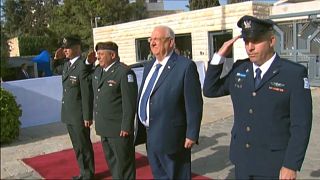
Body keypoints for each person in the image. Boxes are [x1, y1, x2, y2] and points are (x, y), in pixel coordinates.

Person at [203, 15, 312, 179]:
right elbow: (210, 90)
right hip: (242, 160)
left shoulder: (293, 74)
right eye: (246, 42)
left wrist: (291, 164)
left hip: (273, 163)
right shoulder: (241, 68)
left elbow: (301, 125)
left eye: (255, 41)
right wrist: (219, 56)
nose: (250, 47)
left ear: (272, 41)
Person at [135, 25, 203, 179]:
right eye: (150, 40)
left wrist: (192, 134)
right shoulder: (149, 66)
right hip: (150, 136)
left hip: (173, 138)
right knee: (159, 175)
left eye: (157, 39)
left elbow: (194, 104)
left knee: (176, 176)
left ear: (171, 42)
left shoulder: (185, 67)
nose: (152, 43)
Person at [86, 41, 137, 179]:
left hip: (119, 130)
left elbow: (130, 103)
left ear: (113, 55)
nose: (98, 57)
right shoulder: (98, 71)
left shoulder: (124, 73)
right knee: (113, 164)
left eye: (102, 54)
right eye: (98, 54)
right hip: (104, 128)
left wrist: (126, 126)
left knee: (125, 166)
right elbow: (84, 76)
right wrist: (87, 62)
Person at [54, 36, 95, 180]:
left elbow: (86, 93)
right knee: (77, 146)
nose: (65, 50)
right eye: (64, 48)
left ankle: (88, 174)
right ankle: (83, 172)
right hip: (69, 113)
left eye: (68, 48)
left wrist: (87, 116)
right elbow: (56, 70)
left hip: (79, 115)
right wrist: (56, 59)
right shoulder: (67, 65)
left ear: (77, 48)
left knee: (84, 146)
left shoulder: (82, 65)